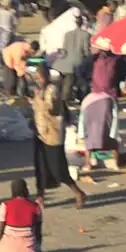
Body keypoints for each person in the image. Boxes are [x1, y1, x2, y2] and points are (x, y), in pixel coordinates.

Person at [31, 66, 85, 208]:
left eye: (40, 77)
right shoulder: (39, 93)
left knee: (58, 168)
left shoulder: (52, 90)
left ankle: (78, 192)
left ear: (47, 77)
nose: (38, 80)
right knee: (41, 167)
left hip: (53, 136)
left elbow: (53, 109)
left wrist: (42, 100)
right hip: (39, 134)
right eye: (36, 78)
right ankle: (40, 197)